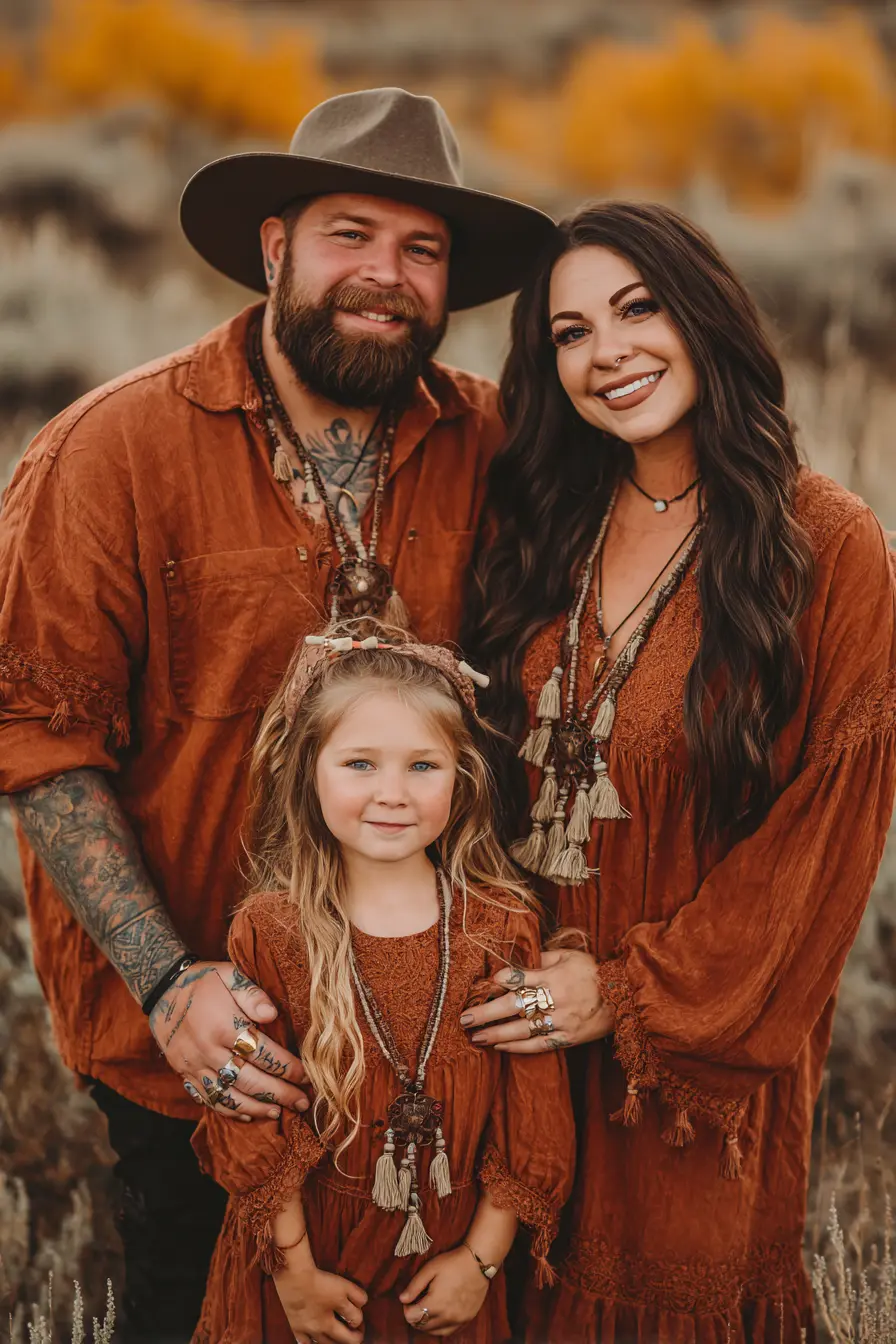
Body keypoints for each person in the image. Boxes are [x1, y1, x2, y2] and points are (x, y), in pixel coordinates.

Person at [0, 87, 555, 1341]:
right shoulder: (111, 451)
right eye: (349, 234)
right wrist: (168, 981)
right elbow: (40, 740)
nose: (386, 276)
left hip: (436, 1048)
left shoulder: (497, 444)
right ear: (273, 247)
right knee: (189, 1306)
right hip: (210, 1049)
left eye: (421, 249)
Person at [459, 201, 896, 1342]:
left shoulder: (821, 545)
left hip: (693, 1069)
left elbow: (821, 842)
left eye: (636, 309)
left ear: (702, 314)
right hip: (512, 1041)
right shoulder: (538, 526)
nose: (607, 353)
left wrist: (621, 992)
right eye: (567, 333)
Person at [190, 622, 574, 1344]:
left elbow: (533, 1120)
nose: (392, 794)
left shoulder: (501, 926)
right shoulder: (272, 931)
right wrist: (294, 1274)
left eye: (422, 767)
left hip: (447, 1266)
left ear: (462, 779)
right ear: (311, 768)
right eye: (360, 764)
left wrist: (482, 1264)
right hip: (304, 1265)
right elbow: (254, 1122)